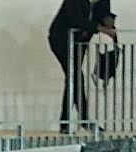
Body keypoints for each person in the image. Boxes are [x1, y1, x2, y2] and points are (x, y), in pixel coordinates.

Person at [49, 0, 117, 132]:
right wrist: (101, 29)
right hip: (61, 40)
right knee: (76, 76)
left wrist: (108, 21)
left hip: (80, 41)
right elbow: (76, 20)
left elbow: (103, 15)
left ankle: (66, 123)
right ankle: (83, 119)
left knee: (73, 78)